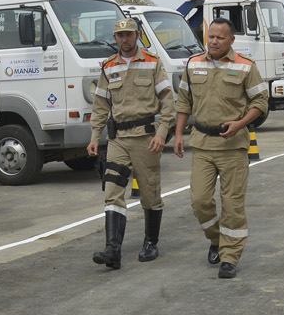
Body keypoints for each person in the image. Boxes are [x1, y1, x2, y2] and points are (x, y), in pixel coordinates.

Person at [172, 18, 269, 279]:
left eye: (220, 38)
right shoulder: (193, 64)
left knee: (232, 204)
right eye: (211, 37)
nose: (214, 41)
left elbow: (261, 101)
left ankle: (229, 257)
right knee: (200, 201)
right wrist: (178, 134)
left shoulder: (246, 66)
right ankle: (216, 240)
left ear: (231, 40)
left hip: (233, 146)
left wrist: (241, 124)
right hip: (202, 144)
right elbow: (184, 102)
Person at [87, 17, 176, 270]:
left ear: (138, 36)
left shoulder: (152, 62)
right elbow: (101, 105)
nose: (124, 39)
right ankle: (112, 250)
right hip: (117, 140)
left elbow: (167, 101)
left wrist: (162, 133)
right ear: (115, 38)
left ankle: (151, 242)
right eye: (120, 35)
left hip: (146, 138)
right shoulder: (108, 66)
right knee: (112, 191)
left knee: (150, 192)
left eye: (129, 34)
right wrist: (95, 137)